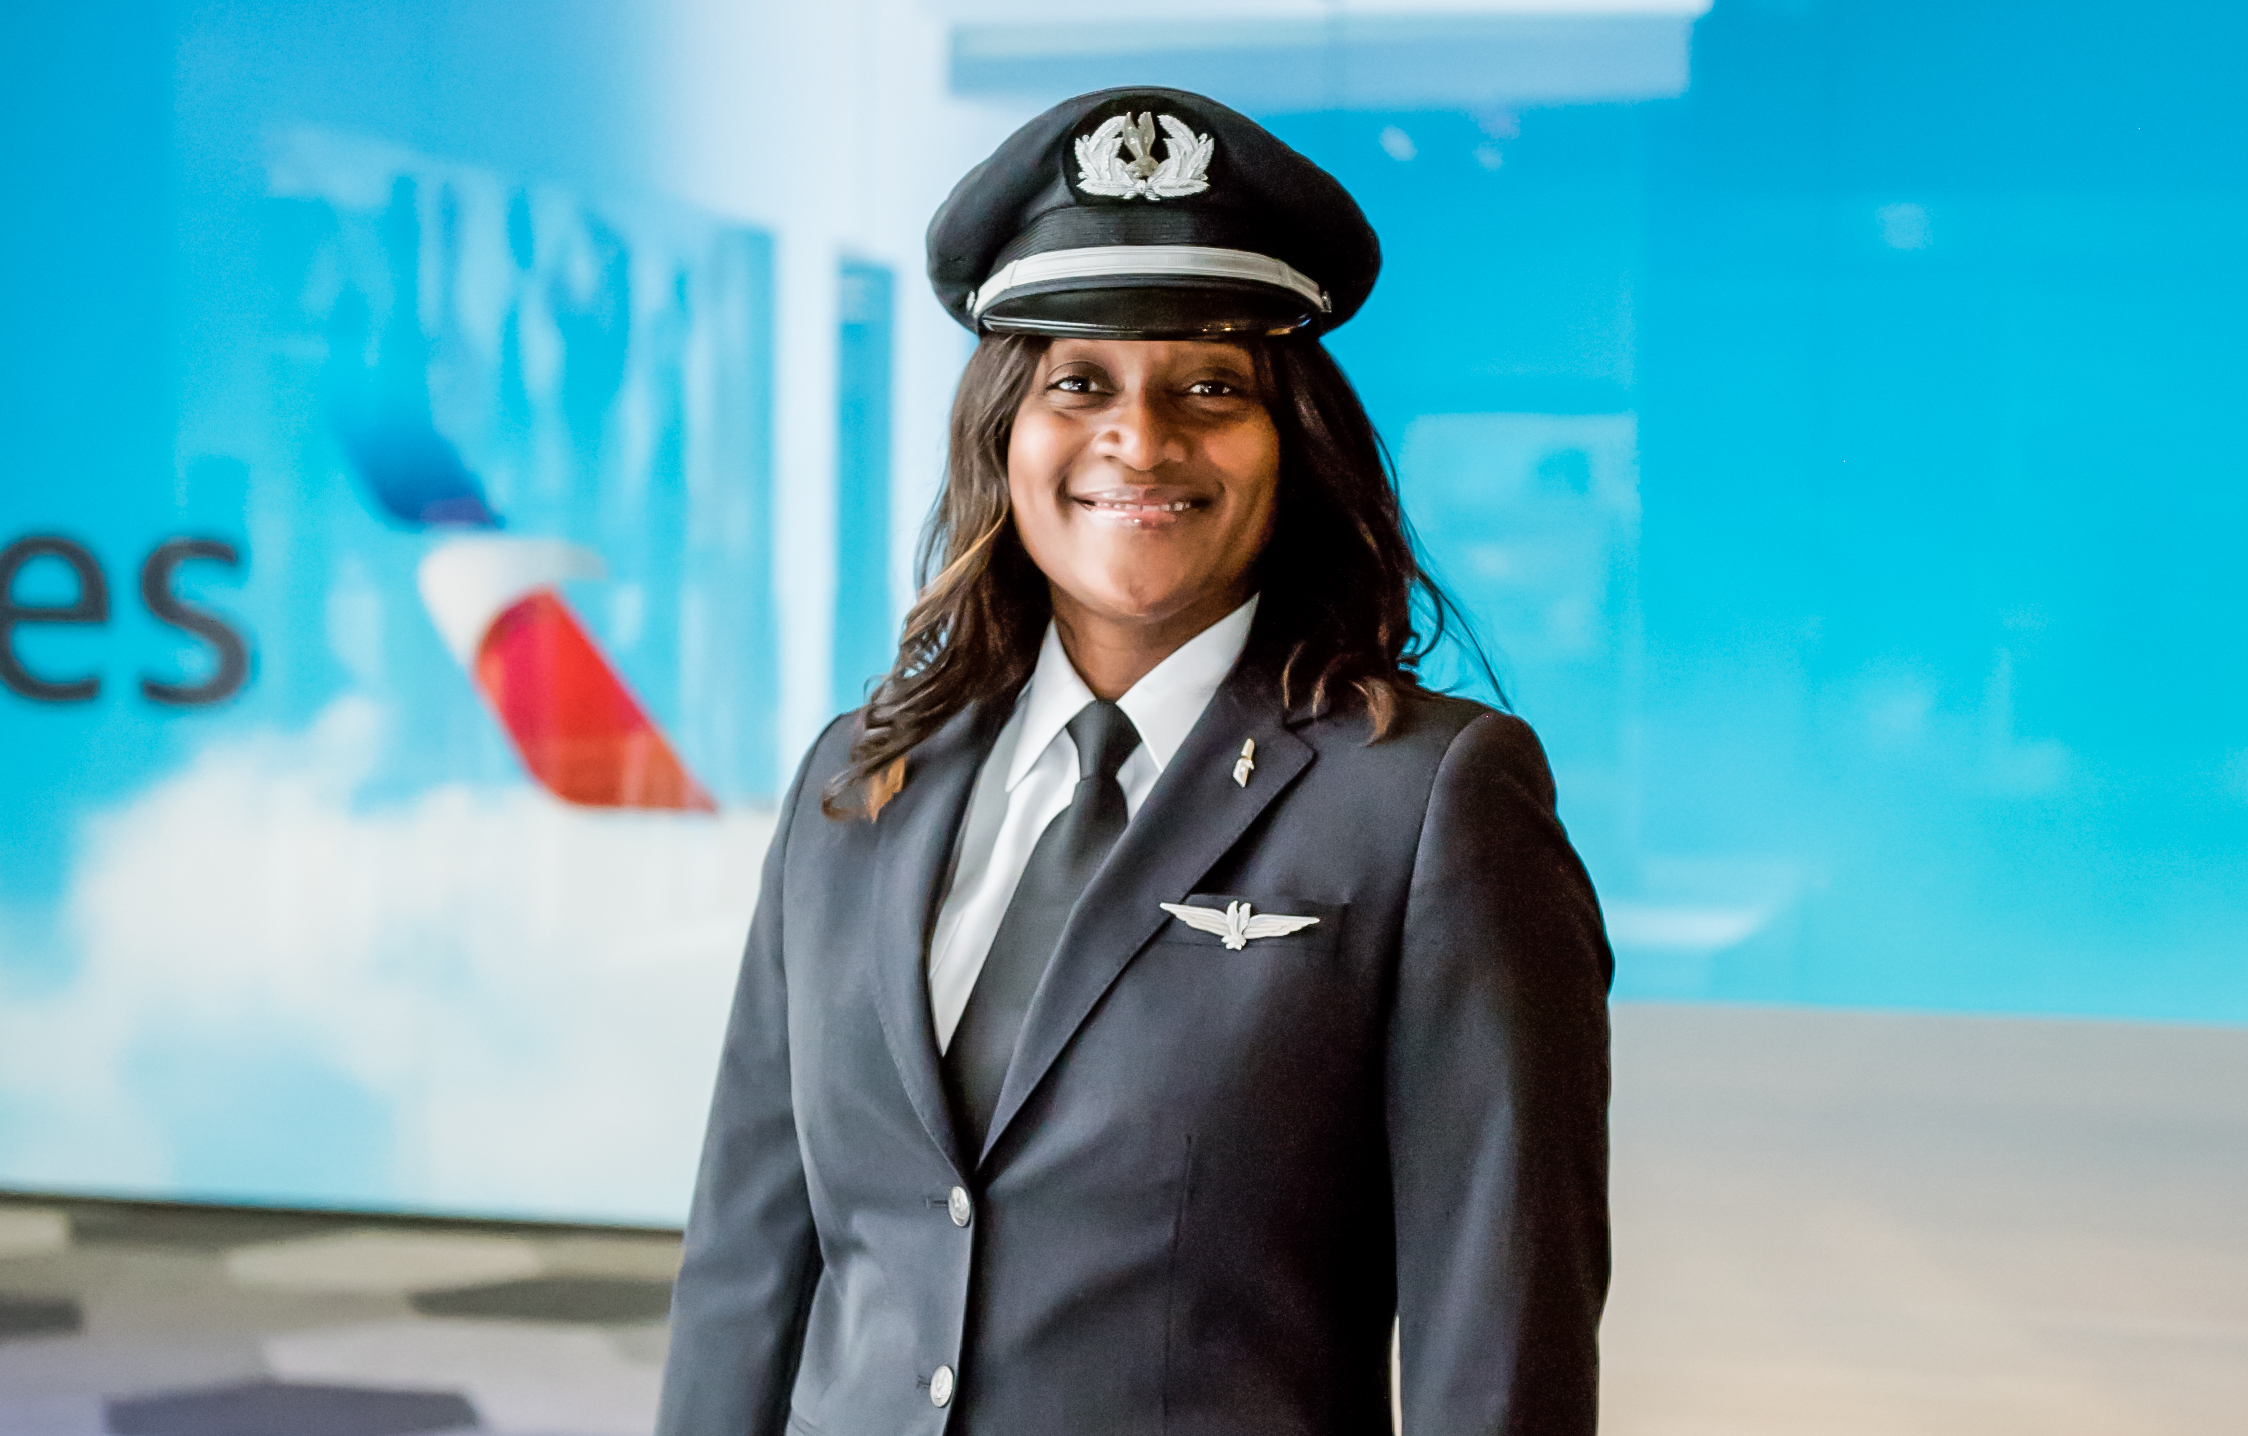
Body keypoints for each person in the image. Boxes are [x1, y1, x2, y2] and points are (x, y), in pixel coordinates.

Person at [657, 87, 1612, 1436]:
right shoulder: (860, 782)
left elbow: (1499, 1325)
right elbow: (749, 1265)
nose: (1141, 440)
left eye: (1211, 387)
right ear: (1006, 436)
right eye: (1079, 384)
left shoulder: (1430, 802)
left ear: (1294, 445)